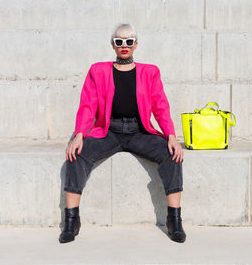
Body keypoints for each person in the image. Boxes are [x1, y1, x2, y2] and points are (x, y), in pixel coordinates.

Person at [59, 23, 186, 244]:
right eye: (119, 41)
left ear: (136, 44)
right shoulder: (98, 71)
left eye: (129, 41)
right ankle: (71, 220)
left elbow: (160, 106)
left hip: (139, 131)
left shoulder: (150, 72)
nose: (124, 45)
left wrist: (171, 136)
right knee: (76, 155)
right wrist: (79, 134)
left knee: (172, 155)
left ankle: (174, 220)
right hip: (108, 131)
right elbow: (88, 105)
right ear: (113, 45)